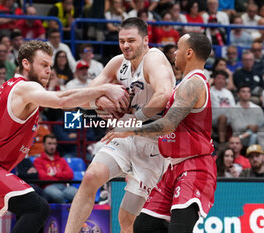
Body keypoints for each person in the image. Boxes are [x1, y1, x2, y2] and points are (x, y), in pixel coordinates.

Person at [0, 40, 128, 233]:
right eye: (43, 65)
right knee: (37, 209)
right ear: (26, 64)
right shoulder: (27, 88)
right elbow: (62, 100)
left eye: (50, 66)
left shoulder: (5, 88)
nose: (48, 70)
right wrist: (104, 88)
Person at [65, 17, 175, 233]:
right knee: (90, 177)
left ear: (145, 40)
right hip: (125, 138)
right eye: (122, 41)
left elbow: (164, 94)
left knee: (126, 220)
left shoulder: (154, 59)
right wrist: (100, 100)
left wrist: (132, 122)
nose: (126, 45)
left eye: (131, 40)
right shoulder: (118, 63)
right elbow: (82, 97)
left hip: (154, 145)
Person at [101, 32, 216, 233]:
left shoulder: (194, 83)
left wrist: (130, 130)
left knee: (179, 229)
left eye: (178, 48)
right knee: (144, 226)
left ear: (189, 53)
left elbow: (168, 124)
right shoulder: (182, 85)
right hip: (173, 167)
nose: (174, 53)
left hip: (194, 166)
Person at [33, 134, 77, 203]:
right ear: (43, 145)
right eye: (49, 144)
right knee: (58, 195)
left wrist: (54, 174)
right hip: (48, 187)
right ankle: (65, 213)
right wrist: (61, 176)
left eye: (54, 144)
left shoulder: (61, 160)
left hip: (63, 186)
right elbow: (42, 177)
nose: (52, 146)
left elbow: (70, 175)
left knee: (77, 194)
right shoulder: (38, 160)